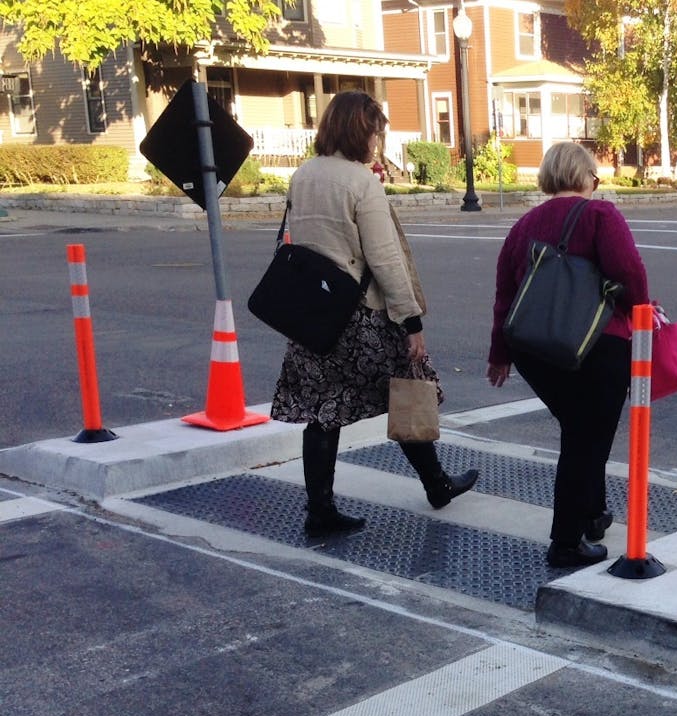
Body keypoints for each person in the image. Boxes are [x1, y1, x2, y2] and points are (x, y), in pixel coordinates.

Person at [272, 90, 478, 536]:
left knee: (322, 411)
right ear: (359, 131)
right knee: (406, 390)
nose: (377, 143)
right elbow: (385, 258)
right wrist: (411, 320)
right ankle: (437, 483)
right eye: (375, 133)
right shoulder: (361, 182)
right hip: (361, 315)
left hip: (313, 314)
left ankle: (319, 510)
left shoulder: (303, 175)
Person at [487, 142, 649, 567]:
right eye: (594, 177)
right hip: (598, 346)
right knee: (587, 440)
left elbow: (506, 296)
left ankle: (593, 513)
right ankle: (566, 541)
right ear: (585, 178)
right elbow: (629, 272)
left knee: (579, 430)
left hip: (535, 350)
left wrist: (499, 354)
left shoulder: (522, 226)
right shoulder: (600, 215)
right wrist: (644, 317)